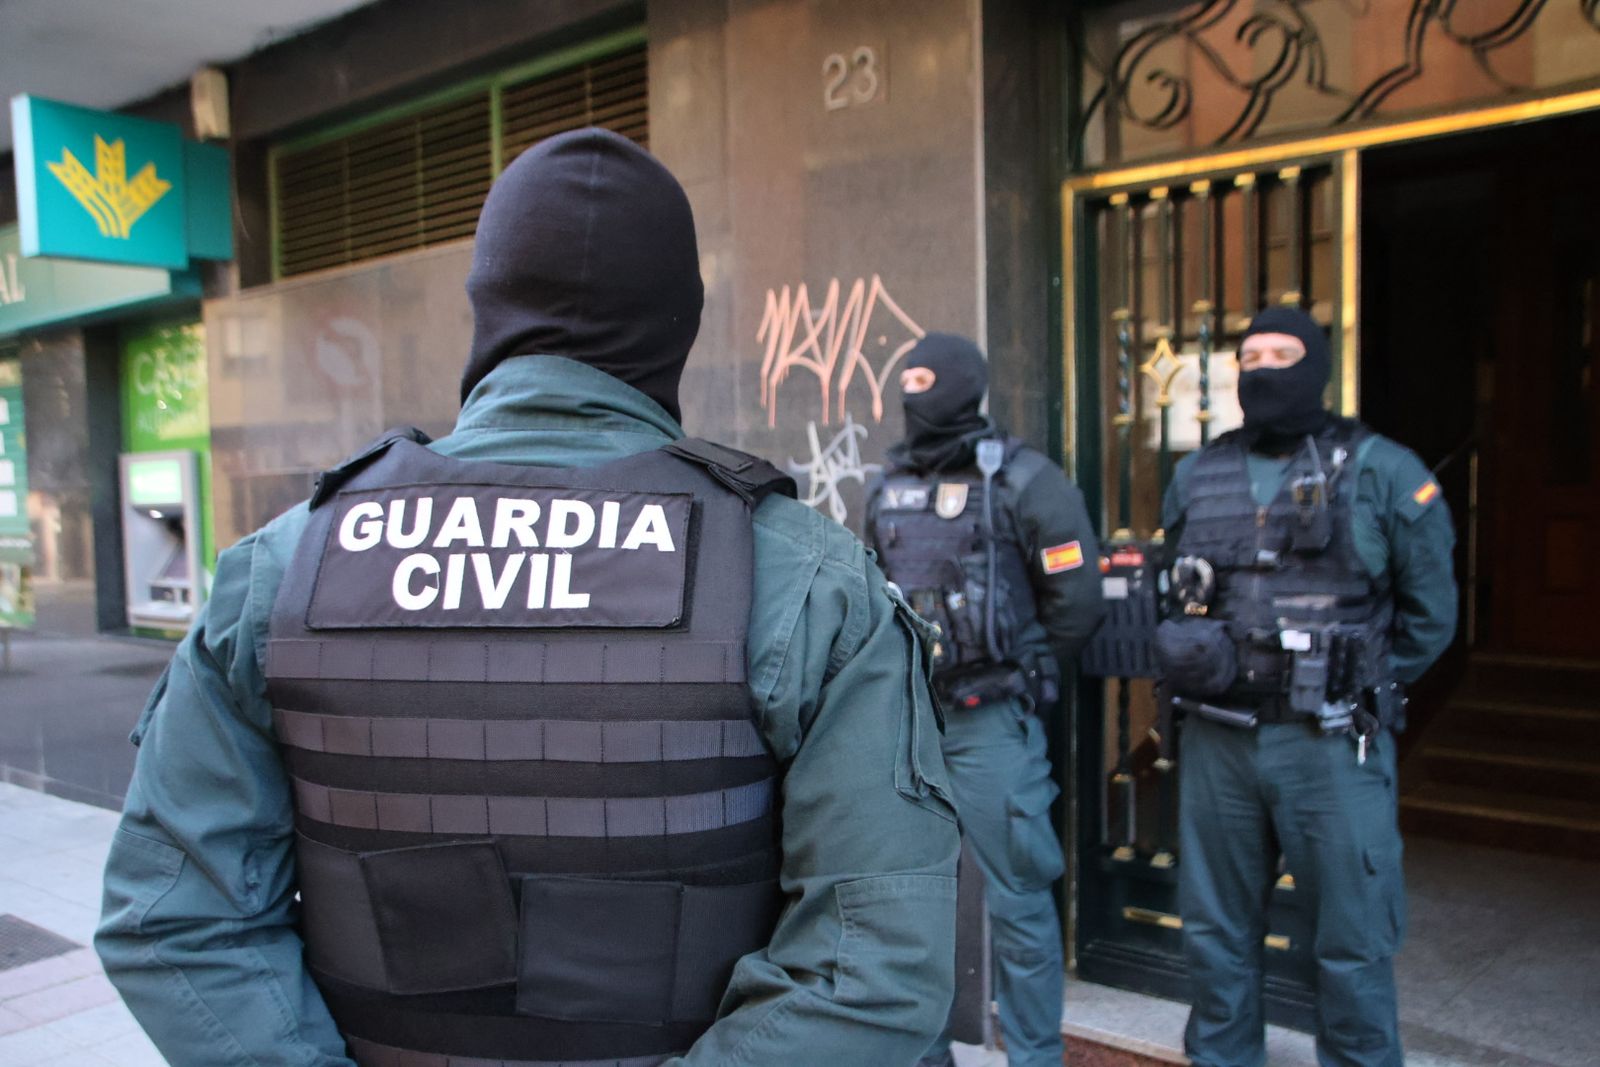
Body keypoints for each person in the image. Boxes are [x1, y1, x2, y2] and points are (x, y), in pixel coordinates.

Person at [97, 128, 960, 1067]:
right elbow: (874, 963)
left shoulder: (283, 564)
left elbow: (171, 916)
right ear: (677, 324)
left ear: (487, 309)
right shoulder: (805, 577)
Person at [1157, 306, 1457, 1067]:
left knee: (1351, 948)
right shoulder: (1196, 473)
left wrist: (1358, 684)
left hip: (1331, 745)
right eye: (1248, 354)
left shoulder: (1386, 470)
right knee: (1216, 944)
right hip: (1219, 740)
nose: (1261, 367)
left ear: (1317, 365)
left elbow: (1430, 621)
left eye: (1281, 352)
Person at [863, 333, 1104, 1067]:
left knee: (1022, 902)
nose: (914, 393)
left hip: (990, 724)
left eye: (928, 379)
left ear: (965, 386)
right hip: (908, 726)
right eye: (907, 380)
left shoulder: (1026, 479)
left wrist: (1019, 667)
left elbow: (1078, 599)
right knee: (911, 909)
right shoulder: (885, 485)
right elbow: (865, 589)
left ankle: (1035, 1056)